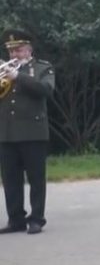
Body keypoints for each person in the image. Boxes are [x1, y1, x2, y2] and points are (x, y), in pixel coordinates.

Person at [0, 29, 55, 235]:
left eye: (19, 50)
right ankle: (16, 219)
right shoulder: (4, 70)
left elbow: (45, 91)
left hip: (33, 132)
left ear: (29, 49)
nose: (15, 55)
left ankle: (37, 218)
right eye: (11, 51)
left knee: (36, 179)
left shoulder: (42, 68)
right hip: (7, 132)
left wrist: (18, 77)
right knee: (10, 179)